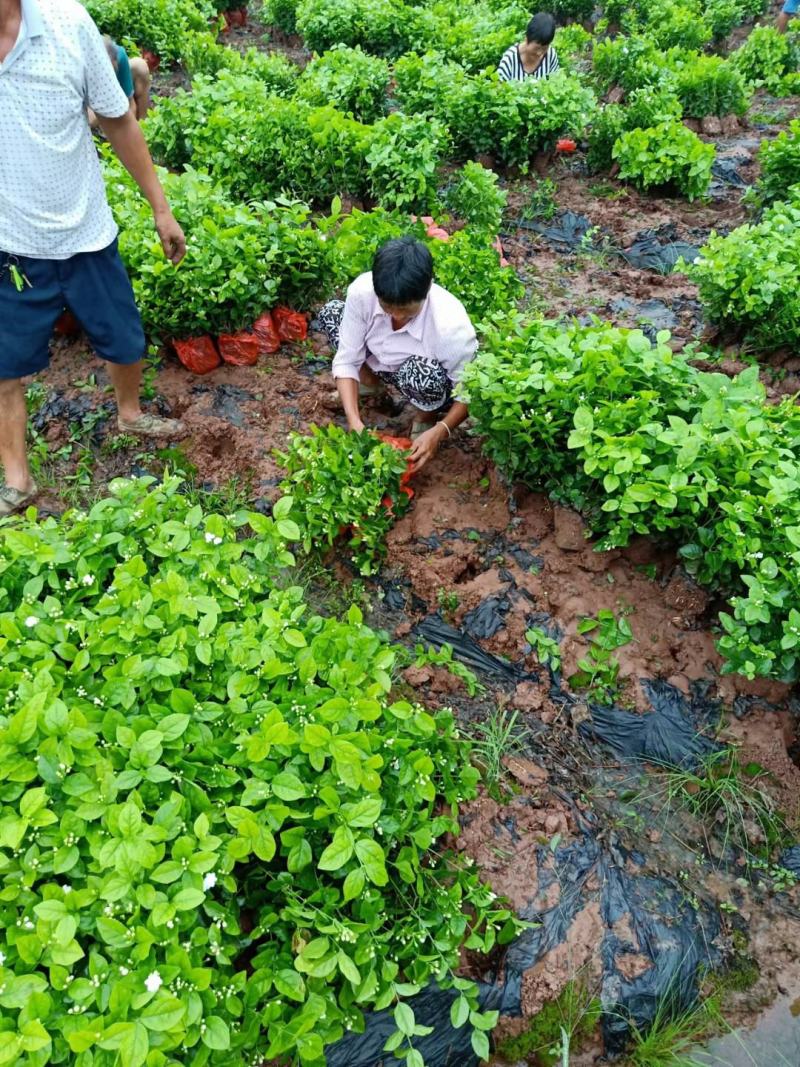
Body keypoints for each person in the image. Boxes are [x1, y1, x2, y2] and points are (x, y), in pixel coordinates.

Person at [0, 0, 186, 516]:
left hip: (85, 232)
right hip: (9, 243)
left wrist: (161, 209)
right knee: (3, 368)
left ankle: (130, 412)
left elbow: (118, 120)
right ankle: (17, 480)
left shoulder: (67, 24)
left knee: (125, 341)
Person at [322, 236, 478, 472]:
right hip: (380, 361)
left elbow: (469, 393)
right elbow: (347, 358)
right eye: (387, 306)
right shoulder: (362, 293)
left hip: (424, 378)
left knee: (422, 374)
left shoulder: (450, 328)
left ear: (427, 289)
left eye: (406, 310)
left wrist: (441, 430)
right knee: (333, 314)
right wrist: (354, 420)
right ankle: (370, 385)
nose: (395, 315)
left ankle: (426, 417)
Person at [498, 12, 559, 82]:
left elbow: (555, 82)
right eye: (536, 48)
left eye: (544, 48)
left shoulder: (550, 55)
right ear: (526, 39)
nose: (540, 53)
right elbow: (500, 89)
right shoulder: (510, 58)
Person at [104, 36, 152, 120]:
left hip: (108, 102)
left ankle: (145, 125)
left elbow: (130, 105)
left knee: (140, 66)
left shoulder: (118, 54)